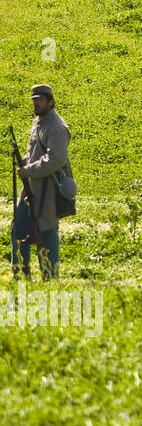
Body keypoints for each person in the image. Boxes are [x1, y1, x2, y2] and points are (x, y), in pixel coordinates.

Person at [10, 84, 71, 280]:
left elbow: (56, 160)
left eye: (40, 100)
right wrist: (25, 166)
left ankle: (50, 276)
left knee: (46, 231)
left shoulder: (57, 127)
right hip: (31, 187)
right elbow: (32, 153)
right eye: (34, 100)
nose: (36, 103)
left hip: (47, 188)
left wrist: (28, 170)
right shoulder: (38, 123)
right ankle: (20, 274)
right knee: (19, 228)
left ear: (50, 101)